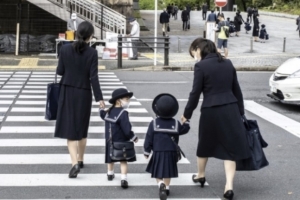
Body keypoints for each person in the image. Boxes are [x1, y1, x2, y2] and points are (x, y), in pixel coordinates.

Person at [181, 38, 251, 200]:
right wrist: (240, 112)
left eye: (193, 51)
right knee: (230, 148)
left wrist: (187, 114)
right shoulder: (227, 63)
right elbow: (237, 90)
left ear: (198, 49)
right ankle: (229, 186)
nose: (193, 55)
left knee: (205, 144)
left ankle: (200, 175)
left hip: (211, 110)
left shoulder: (200, 66)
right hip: (231, 109)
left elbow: (195, 93)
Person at [55, 21, 105, 178]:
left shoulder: (64, 49)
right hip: (84, 93)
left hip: (67, 91)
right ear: (90, 36)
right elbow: (93, 78)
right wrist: (100, 98)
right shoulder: (92, 53)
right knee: (82, 130)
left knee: (70, 130)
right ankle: (81, 159)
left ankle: (74, 163)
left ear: (76, 33)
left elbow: (60, 71)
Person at [144, 93, 190, 200]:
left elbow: (149, 138)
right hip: (171, 152)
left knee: (158, 172)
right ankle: (167, 188)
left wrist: (147, 151)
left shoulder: (154, 123)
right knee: (167, 171)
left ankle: (161, 185)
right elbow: (184, 130)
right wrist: (185, 122)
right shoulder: (175, 123)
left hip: (158, 151)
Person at [100, 88, 138, 189]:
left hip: (110, 140)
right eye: (126, 99)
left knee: (110, 157)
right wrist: (133, 137)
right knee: (123, 160)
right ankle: (124, 179)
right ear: (118, 100)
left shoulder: (109, 111)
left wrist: (101, 108)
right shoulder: (123, 113)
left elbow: (102, 116)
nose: (128, 101)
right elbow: (126, 129)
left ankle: (110, 174)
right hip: (121, 141)